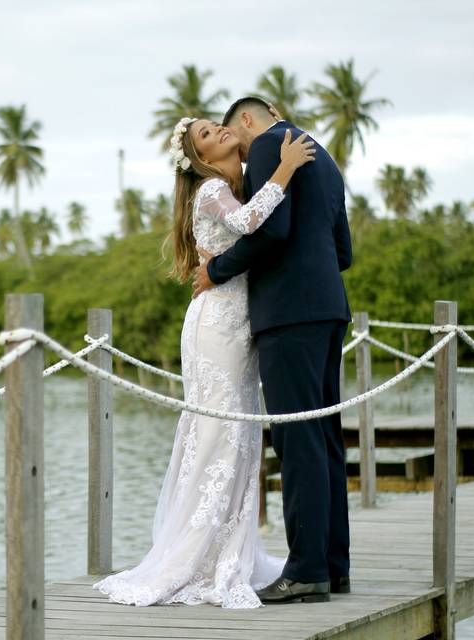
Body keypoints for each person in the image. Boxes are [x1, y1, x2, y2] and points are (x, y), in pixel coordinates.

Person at [93, 112, 316, 608]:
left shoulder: (235, 183)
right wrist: (286, 168)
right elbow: (247, 223)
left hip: (239, 323)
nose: (218, 130)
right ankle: (192, 557)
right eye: (206, 135)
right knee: (217, 435)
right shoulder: (212, 192)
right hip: (215, 327)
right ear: (199, 159)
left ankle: (228, 553)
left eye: (215, 125)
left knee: (238, 439)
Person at [195, 97, 353, 604]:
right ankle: (333, 565)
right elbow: (344, 251)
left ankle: (306, 571)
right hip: (329, 308)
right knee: (326, 437)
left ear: (245, 120)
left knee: (297, 439)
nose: (237, 153)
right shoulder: (321, 155)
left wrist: (216, 269)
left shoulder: (269, 146)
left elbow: (272, 229)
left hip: (288, 314)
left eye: (229, 135)